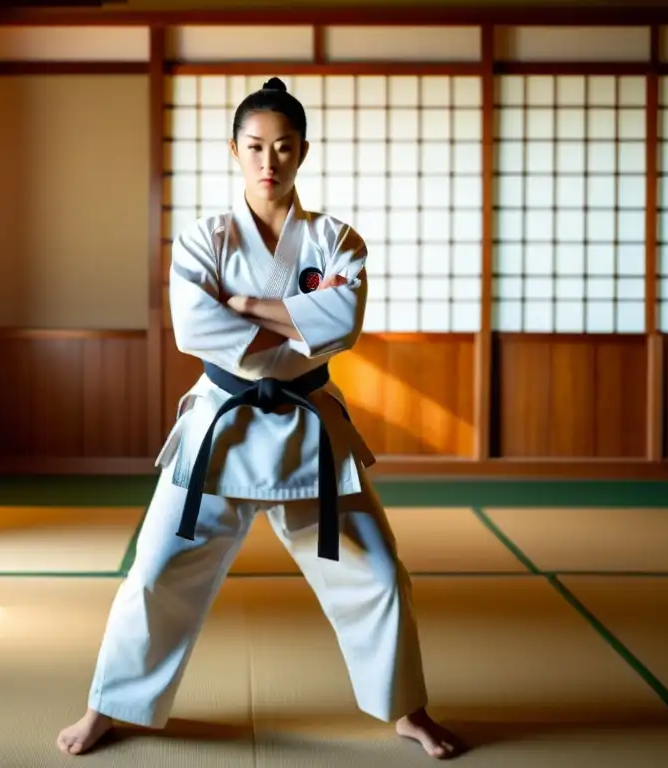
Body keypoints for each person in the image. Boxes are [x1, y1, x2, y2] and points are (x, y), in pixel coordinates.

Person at [57, 77, 461, 760]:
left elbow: (342, 326)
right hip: (222, 425)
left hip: (309, 429)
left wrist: (243, 304)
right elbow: (195, 327)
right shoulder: (202, 238)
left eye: (283, 147)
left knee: (380, 576)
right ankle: (108, 705)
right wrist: (295, 322)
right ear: (233, 151)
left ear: (303, 151)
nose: (268, 162)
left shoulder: (336, 239)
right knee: (156, 571)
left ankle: (406, 710)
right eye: (254, 147)